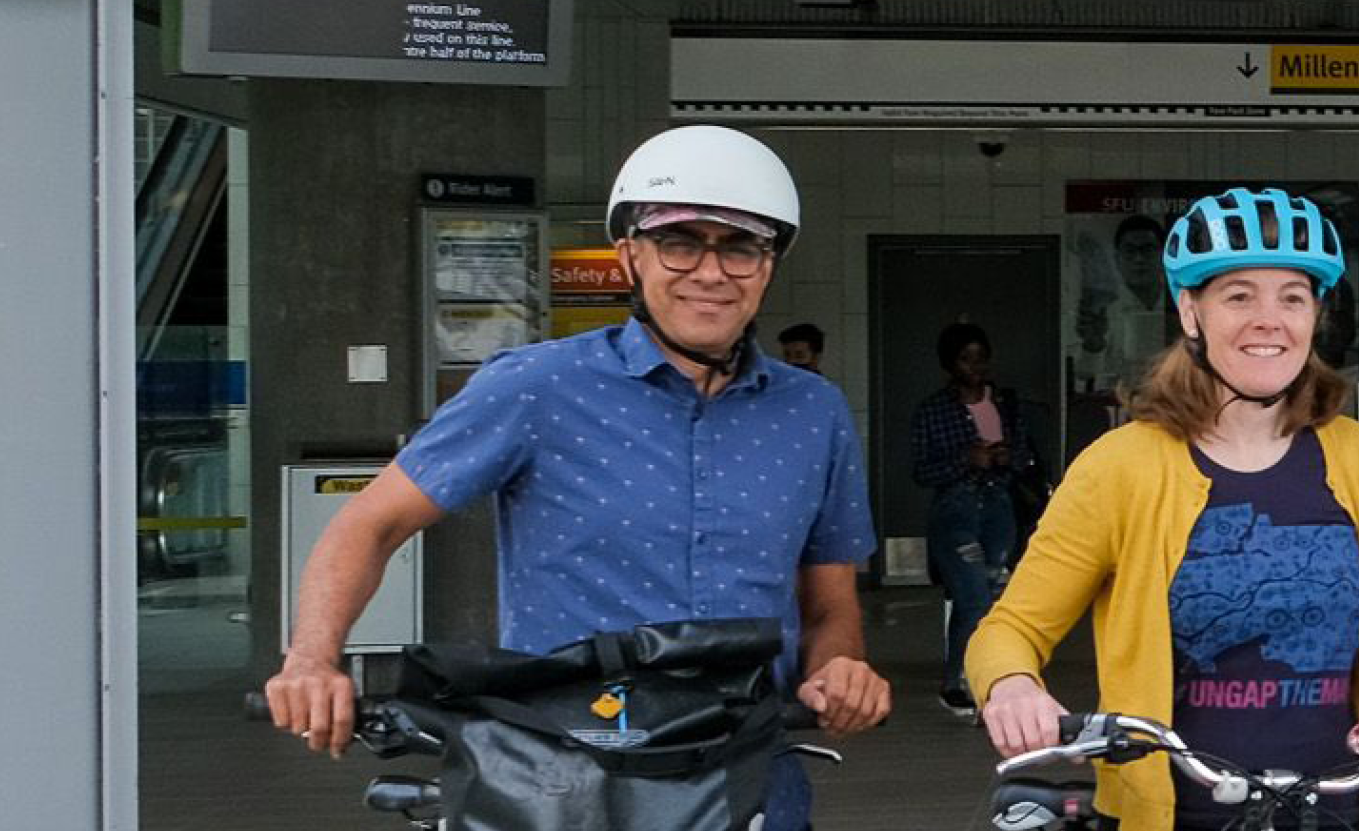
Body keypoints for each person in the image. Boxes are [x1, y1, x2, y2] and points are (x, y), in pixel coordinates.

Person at [262, 125, 889, 831]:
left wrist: (841, 667)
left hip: (747, 777)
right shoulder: (535, 386)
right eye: (681, 241)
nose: (712, 272)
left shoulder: (813, 411)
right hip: (567, 778)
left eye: (741, 246)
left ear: (768, 265)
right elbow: (367, 523)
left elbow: (830, 605)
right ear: (630, 255)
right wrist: (311, 658)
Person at [967, 187, 1359, 831]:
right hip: (1184, 813)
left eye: (1292, 296)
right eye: (1238, 296)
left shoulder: (1355, 453)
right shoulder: (1122, 466)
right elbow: (1008, 630)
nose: (1269, 319)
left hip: (1340, 807)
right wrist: (1012, 685)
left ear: (1316, 315)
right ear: (1190, 311)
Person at [909, 321, 1042, 720]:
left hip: (999, 506)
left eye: (981, 359)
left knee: (993, 594)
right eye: (966, 360)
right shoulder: (934, 410)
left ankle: (986, 676)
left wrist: (1005, 458)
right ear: (950, 364)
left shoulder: (1006, 404)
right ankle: (958, 682)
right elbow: (920, 471)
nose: (976, 368)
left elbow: (1025, 458)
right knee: (972, 595)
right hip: (956, 508)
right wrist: (966, 459)